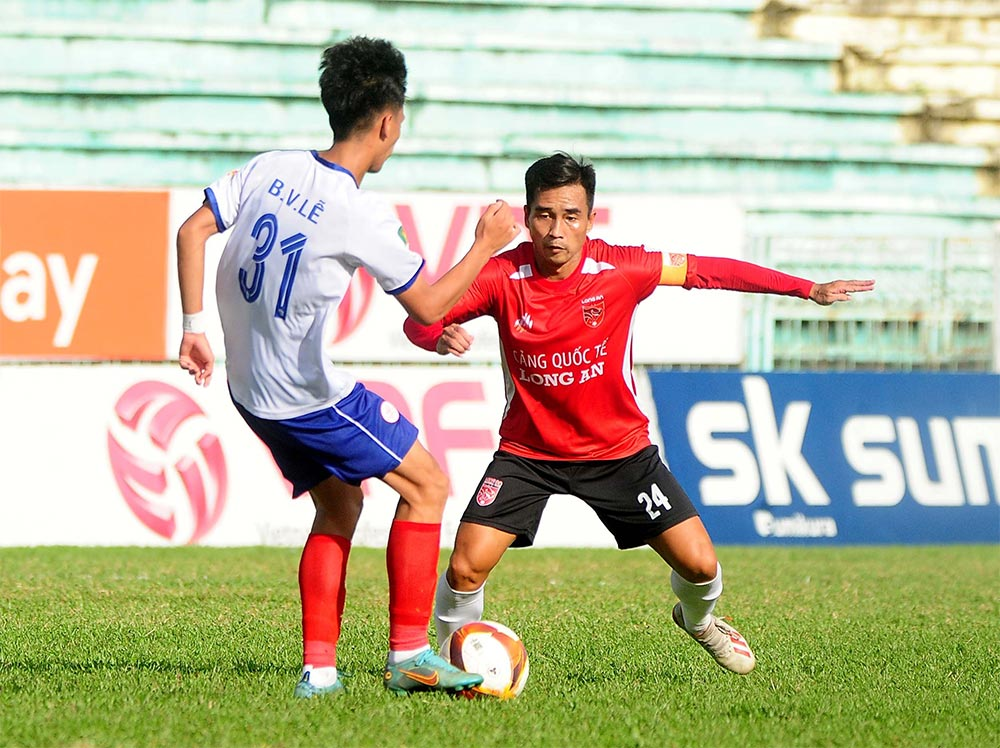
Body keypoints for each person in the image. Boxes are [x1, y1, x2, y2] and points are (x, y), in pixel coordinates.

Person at [404, 152, 874, 675]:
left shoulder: (620, 268)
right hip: (527, 453)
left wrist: (805, 288)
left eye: (571, 216)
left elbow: (705, 271)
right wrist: (437, 334)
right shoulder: (501, 274)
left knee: (701, 566)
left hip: (619, 453)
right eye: (544, 215)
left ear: (591, 218)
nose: (557, 230)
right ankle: (451, 662)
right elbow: (418, 320)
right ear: (527, 215)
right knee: (466, 566)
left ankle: (699, 622)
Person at [175, 36, 519, 699]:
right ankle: (410, 657)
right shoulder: (360, 213)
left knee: (341, 504)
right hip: (307, 396)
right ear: (388, 121)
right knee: (427, 487)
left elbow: (192, 231)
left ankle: (320, 673)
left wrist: (194, 331)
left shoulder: (271, 166)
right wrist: (485, 244)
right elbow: (427, 302)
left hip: (250, 392)